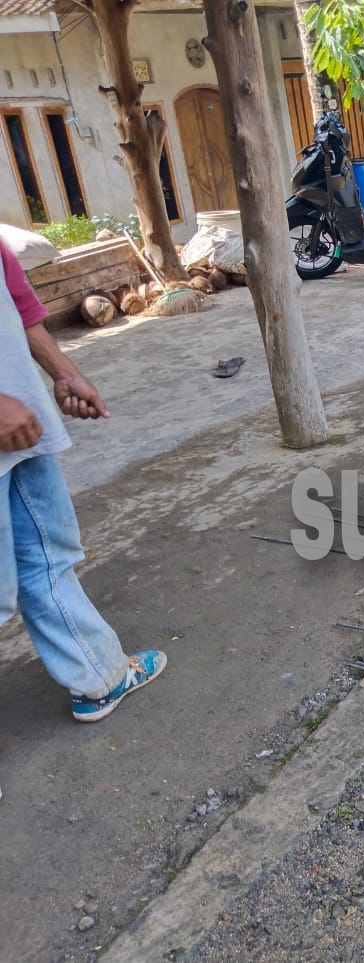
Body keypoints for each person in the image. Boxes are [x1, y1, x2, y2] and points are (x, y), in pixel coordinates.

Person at [0, 237, 167, 728]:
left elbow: (15, 295)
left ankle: (100, 676)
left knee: (49, 555)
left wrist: (64, 371)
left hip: (20, 425)